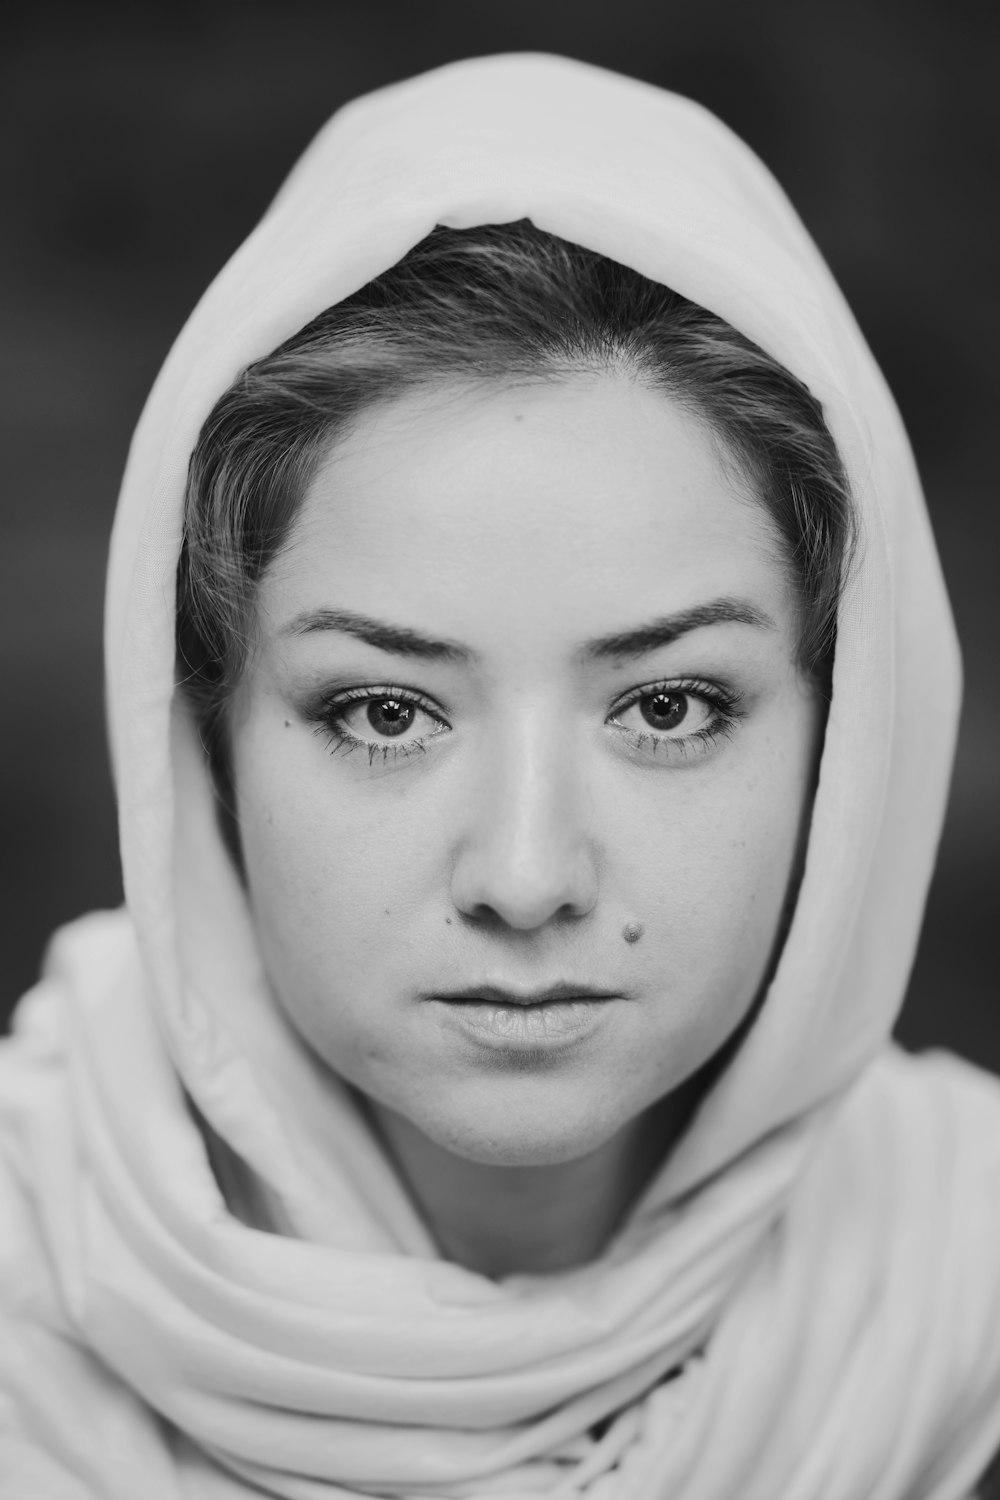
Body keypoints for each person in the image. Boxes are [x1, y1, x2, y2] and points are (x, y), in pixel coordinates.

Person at [2, 51, 999, 1500]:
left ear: (849, 743)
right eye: (387, 712)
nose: (525, 877)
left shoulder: (970, 1300)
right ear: (201, 737)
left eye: (667, 704)